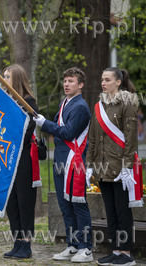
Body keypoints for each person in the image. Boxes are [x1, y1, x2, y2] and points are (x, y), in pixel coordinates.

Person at [33, 67, 93, 262]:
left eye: (71, 81)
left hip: (74, 162)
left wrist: (45, 124)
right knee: (65, 206)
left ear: (81, 85)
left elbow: (68, 133)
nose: (66, 84)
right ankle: (73, 244)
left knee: (78, 205)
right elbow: (57, 127)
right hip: (60, 161)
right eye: (65, 81)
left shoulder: (81, 107)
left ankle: (86, 247)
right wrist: (43, 124)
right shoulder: (64, 103)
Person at [86, 68, 139, 266]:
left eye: (107, 80)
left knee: (122, 211)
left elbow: (131, 138)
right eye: (102, 79)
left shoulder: (127, 103)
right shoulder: (99, 106)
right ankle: (115, 250)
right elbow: (92, 137)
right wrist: (90, 165)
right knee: (111, 211)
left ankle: (126, 253)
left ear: (118, 82)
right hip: (102, 167)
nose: (103, 83)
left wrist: (126, 167)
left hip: (120, 168)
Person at [1, 65, 39, 259]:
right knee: (12, 202)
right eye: (3, 75)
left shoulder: (28, 102)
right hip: (7, 158)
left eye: (7, 76)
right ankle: (17, 241)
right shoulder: (4, 100)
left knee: (24, 201)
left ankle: (26, 244)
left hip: (23, 157)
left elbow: (27, 130)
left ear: (17, 79)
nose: (4, 78)